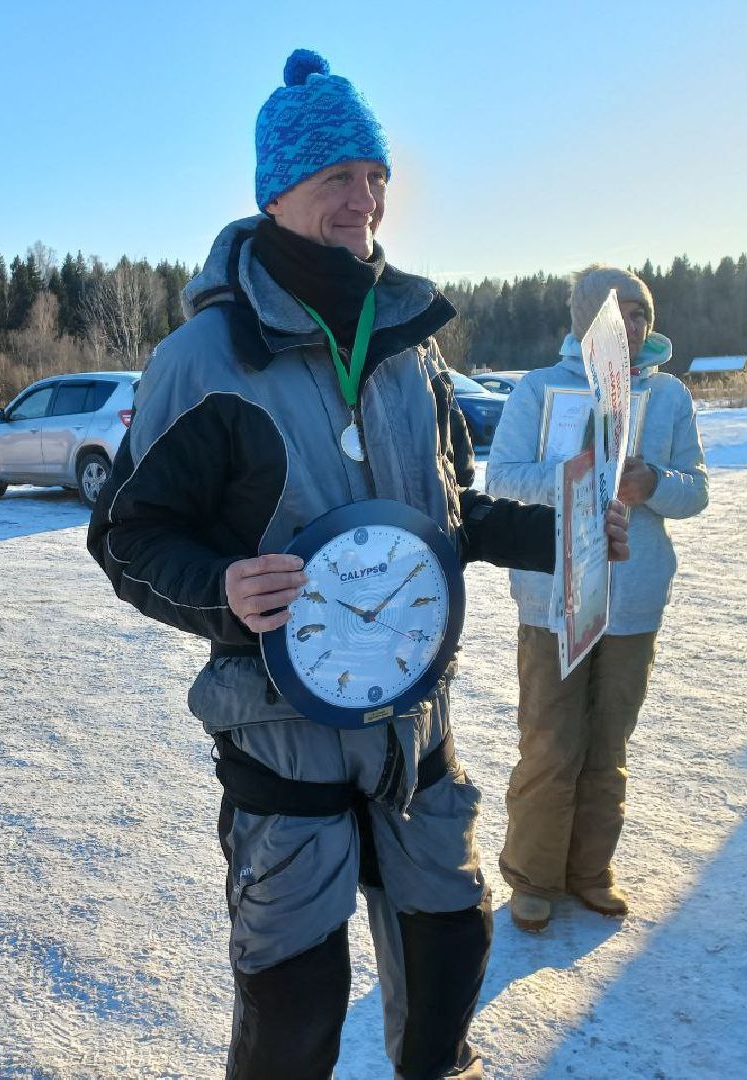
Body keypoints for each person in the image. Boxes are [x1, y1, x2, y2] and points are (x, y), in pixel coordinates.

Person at [88, 49, 628, 1080]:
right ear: (277, 189)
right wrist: (221, 589)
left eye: (376, 176)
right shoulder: (205, 359)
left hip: (416, 728)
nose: (364, 198)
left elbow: (448, 515)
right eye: (339, 175)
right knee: (296, 1008)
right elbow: (128, 534)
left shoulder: (409, 345)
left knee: (450, 958)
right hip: (284, 741)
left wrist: (559, 531)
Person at [484, 267, 708, 933]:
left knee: (609, 744)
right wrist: (578, 479)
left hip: (633, 603)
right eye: (620, 312)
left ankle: (590, 871)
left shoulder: (666, 396)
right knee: (551, 742)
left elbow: (696, 487)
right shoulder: (540, 389)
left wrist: (653, 481)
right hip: (552, 598)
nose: (633, 326)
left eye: (642, 313)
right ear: (586, 319)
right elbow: (501, 476)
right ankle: (533, 876)